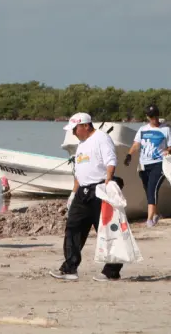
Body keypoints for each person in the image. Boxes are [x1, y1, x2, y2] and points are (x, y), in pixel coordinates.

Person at [49, 112, 123, 282]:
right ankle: (70, 268)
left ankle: (112, 271)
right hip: (82, 193)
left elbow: (111, 162)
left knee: (106, 231)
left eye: (75, 129)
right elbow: (79, 171)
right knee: (73, 227)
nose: (74, 133)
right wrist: (73, 193)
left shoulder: (101, 138)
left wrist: (108, 184)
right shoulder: (81, 145)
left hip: (99, 191)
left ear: (85, 125)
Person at [124, 104, 171, 227]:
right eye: (151, 116)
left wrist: (168, 151)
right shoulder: (142, 130)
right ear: (148, 117)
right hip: (144, 165)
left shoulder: (166, 129)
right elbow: (137, 144)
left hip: (159, 163)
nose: (154, 118)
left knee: (153, 188)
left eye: (155, 116)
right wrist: (129, 155)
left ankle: (149, 218)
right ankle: (155, 214)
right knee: (148, 191)